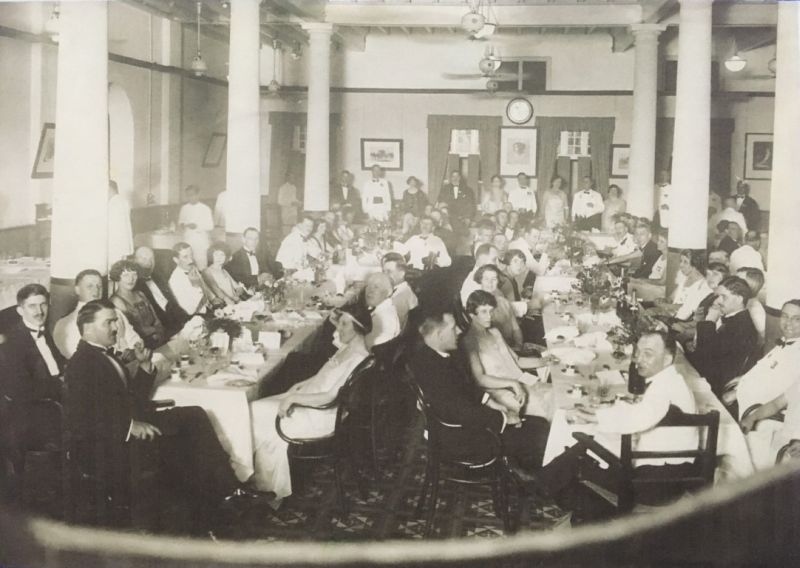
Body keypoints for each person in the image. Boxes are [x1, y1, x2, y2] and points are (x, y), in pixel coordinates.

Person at [64, 300, 259, 526]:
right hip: (110, 442)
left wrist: (145, 366)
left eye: (115, 321)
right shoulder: (82, 364)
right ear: (88, 328)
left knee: (195, 415)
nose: (116, 328)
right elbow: (81, 419)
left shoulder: (103, 356)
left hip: (128, 422)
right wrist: (128, 427)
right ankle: (219, 500)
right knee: (188, 435)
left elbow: (131, 401)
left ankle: (227, 491)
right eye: (108, 323)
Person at [540, 331, 699, 509]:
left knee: (580, 452)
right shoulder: (673, 380)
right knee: (586, 445)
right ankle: (545, 488)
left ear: (668, 359)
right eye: (637, 352)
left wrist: (593, 416)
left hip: (654, 485)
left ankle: (540, 491)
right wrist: (596, 416)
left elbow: (639, 419)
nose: (639, 359)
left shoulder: (664, 388)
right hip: (669, 476)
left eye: (648, 354)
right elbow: (642, 413)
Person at [250, 303, 372, 500]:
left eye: (344, 325)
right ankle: (260, 483)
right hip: (309, 398)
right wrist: (298, 385)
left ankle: (255, 483)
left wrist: (292, 398)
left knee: (253, 412)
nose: (338, 329)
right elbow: (321, 375)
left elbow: (330, 396)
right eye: (339, 324)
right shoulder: (348, 348)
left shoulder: (357, 358)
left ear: (358, 329)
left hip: (320, 413)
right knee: (257, 415)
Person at [409, 312, 550, 473]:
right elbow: (461, 412)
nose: (459, 331)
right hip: (457, 438)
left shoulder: (435, 355)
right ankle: (535, 479)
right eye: (453, 328)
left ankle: (521, 470)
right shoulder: (433, 369)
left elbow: (465, 387)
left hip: (465, 424)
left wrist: (493, 403)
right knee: (540, 433)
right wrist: (503, 418)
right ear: (439, 335)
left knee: (539, 424)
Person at [0, 285, 66, 476]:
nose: (39, 311)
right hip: (31, 416)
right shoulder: (12, 343)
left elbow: (57, 364)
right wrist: (61, 383)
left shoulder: (43, 333)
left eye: (43, 304)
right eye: (32, 306)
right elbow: (19, 391)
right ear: (20, 310)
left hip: (52, 404)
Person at [462, 290, 544, 426]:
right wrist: (513, 383)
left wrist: (546, 361)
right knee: (552, 402)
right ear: (472, 314)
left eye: (491, 311)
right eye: (483, 311)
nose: (489, 316)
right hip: (499, 392)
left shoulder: (494, 332)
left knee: (558, 393)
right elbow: (480, 379)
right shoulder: (469, 341)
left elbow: (517, 361)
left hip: (518, 381)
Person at [690, 276, 758, 396]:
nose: (717, 301)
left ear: (739, 299)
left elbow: (706, 357)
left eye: (724, 297)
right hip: (707, 374)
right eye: (717, 296)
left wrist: (710, 321)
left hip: (715, 385)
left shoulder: (742, 327)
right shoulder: (731, 319)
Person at [736, 300, 800, 424]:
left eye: (797, 319)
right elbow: (764, 371)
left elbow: (779, 394)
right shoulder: (784, 343)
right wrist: (742, 380)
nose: (788, 323)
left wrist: (736, 393)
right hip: (747, 407)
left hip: (765, 418)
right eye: (785, 316)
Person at [54, 268, 142, 358]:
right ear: (77, 290)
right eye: (90, 286)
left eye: (99, 286)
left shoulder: (115, 312)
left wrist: (134, 350)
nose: (96, 291)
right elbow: (77, 360)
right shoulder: (66, 324)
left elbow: (134, 338)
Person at [109, 261, 169, 350]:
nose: (131, 279)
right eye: (126, 275)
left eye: (134, 274)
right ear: (117, 277)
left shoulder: (140, 294)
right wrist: (154, 333)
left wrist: (160, 334)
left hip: (158, 340)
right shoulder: (116, 301)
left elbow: (156, 320)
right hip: (140, 346)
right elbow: (133, 331)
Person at [131, 246, 187, 335]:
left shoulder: (158, 276)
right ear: (134, 261)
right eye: (143, 258)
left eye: (151, 258)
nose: (149, 262)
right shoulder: (134, 286)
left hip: (177, 323)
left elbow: (173, 303)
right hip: (161, 331)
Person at [649, 250, 712, 324]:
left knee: (649, 314)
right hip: (670, 312)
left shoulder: (702, 285)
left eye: (685, 262)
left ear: (695, 265)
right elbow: (670, 298)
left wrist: (666, 306)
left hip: (680, 320)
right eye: (681, 261)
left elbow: (689, 307)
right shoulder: (684, 278)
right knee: (648, 313)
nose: (681, 265)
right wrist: (662, 300)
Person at [474, 265, 523, 350]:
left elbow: (516, 328)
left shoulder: (503, 301)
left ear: (498, 281)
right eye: (486, 279)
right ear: (480, 280)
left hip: (512, 348)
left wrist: (519, 346)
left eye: (494, 279)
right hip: (494, 351)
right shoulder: (476, 304)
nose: (490, 283)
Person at [168, 242, 215, 316]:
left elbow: (204, 286)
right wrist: (196, 286)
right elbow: (190, 310)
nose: (191, 260)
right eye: (185, 257)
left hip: (211, 309)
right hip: (197, 317)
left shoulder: (192, 268)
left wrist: (213, 298)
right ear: (176, 260)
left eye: (191, 255)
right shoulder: (174, 280)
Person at [177, 185, 214, 269]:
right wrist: (182, 225)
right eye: (188, 195)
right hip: (188, 239)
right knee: (188, 263)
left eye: (192, 195)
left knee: (201, 264)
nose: (190, 197)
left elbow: (210, 226)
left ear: (198, 195)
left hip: (200, 241)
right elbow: (180, 222)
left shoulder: (205, 209)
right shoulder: (184, 208)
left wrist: (197, 226)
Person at [363, 272, 401, 349]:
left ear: (387, 292)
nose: (370, 290)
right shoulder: (381, 309)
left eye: (376, 287)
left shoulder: (385, 317)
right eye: (368, 286)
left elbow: (370, 348)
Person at [382, 252, 418, 330]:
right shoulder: (399, 289)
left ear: (401, 274)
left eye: (389, 271)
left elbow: (392, 329)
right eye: (383, 271)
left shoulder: (402, 297)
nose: (384, 275)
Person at [736, 267, 767, 347]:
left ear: (752, 285)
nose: (732, 284)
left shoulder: (755, 310)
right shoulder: (743, 304)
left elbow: (762, 341)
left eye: (738, 282)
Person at [107, 180, 134, 266]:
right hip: (123, 244)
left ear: (109, 189)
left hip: (115, 244)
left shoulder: (114, 203)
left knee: (115, 269)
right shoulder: (122, 201)